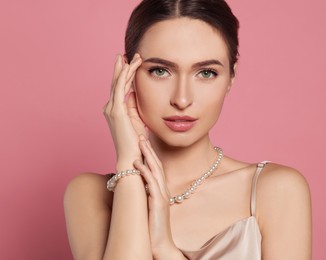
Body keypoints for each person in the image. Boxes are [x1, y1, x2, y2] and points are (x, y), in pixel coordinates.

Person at [64, 0, 312, 259]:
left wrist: (164, 247)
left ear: (231, 78)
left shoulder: (276, 190)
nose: (182, 99)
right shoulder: (89, 194)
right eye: (160, 71)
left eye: (206, 73)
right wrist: (129, 166)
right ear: (129, 75)